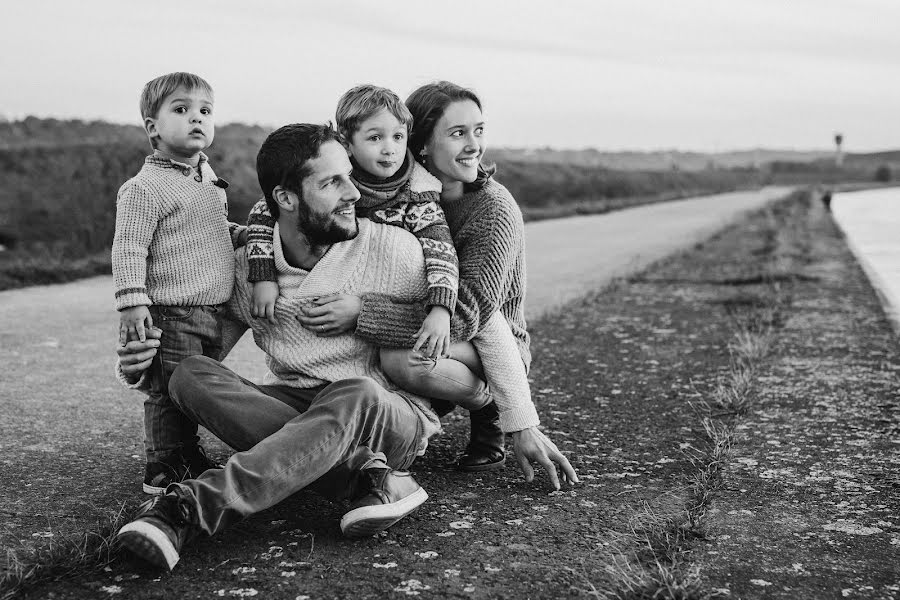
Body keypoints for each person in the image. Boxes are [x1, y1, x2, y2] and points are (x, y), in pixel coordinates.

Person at [115, 123, 577, 572]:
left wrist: (520, 421)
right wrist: (139, 367)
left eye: (349, 177)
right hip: (303, 400)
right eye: (332, 182)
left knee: (354, 390)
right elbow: (201, 350)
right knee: (190, 374)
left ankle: (192, 509)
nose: (354, 193)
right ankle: (367, 477)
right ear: (285, 198)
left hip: (390, 413)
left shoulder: (392, 251)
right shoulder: (250, 270)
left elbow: (487, 322)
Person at [245, 84, 525, 470]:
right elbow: (270, 207)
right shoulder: (349, 178)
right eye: (458, 133)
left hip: (483, 338)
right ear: (423, 144)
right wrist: (261, 270)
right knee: (386, 357)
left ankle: (488, 406)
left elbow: (471, 315)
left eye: (478, 130)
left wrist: (362, 313)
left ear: (409, 140)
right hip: (419, 320)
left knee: (400, 359)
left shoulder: (474, 207)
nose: (474, 144)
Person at [111, 72, 244, 494]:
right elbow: (128, 247)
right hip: (171, 311)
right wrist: (133, 302)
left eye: (205, 111)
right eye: (182, 110)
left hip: (210, 310)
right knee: (169, 390)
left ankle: (187, 451)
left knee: (197, 389)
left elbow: (212, 230)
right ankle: (164, 463)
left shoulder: (207, 181)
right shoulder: (145, 188)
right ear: (153, 127)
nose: (196, 119)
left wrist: (242, 234)